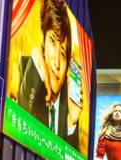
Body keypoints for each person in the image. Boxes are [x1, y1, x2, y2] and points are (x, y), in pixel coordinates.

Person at [15, 0, 82, 149]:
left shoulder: (69, 102)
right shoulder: (27, 69)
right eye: (52, 40)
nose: (57, 62)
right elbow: (17, 134)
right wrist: (35, 69)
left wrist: (71, 124)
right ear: (43, 42)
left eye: (63, 53)